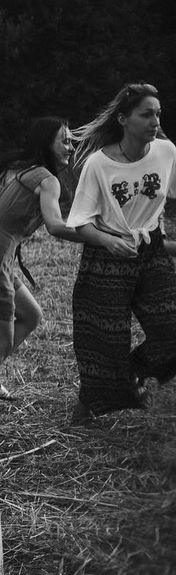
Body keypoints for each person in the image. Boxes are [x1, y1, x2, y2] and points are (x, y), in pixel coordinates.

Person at [66, 83, 176, 421]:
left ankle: (133, 372)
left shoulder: (167, 151)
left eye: (157, 113)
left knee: (171, 327)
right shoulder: (98, 165)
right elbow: (80, 223)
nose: (155, 121)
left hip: (151, 251)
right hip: (107, 256)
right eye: (146, 114)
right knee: (104, 341)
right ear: (123, 119)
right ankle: (87, 405)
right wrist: (108, 240)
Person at [0, 117, 80, 399]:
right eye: (65, 140)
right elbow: (56, 226)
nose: (71, 146)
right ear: (47, 143)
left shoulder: (10, 168)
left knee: (32, 314)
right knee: (2, 341)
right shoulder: (47, 180)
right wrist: (100, 236)